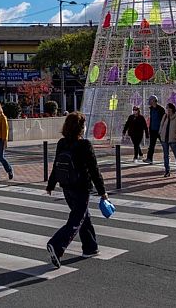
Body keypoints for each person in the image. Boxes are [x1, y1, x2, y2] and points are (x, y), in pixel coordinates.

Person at [45, 112, 108, 269]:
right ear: (80, 128)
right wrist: (102, 191)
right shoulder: (84, 145)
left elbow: (56, 165)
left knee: (83, 216)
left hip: (66, 187)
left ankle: (90, 247)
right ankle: (56, 245)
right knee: (76, 219)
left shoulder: (62, 143)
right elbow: (94, 170)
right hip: (81, 188)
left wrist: (51, 184)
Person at [159, 103, 176, 178]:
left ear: (172, 109)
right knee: (166, 156)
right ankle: (167, 171)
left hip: (173, 139)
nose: (167, 109)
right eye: (166, 108)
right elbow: (161, 125)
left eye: (168, 108)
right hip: (164, 139)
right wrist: (160, 133)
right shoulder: (165, 116)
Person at [144, 95, 166, 164]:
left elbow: (164, 120)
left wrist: (162, 129)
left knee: (164, 144)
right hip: (153, 130)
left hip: (160, 130)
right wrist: (149, 129)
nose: (149, 102)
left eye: (150, 100)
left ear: (154, 101)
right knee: (151, 145)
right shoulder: (151, 109)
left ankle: (167, 157)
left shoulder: (161, 109)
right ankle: (149, 158)